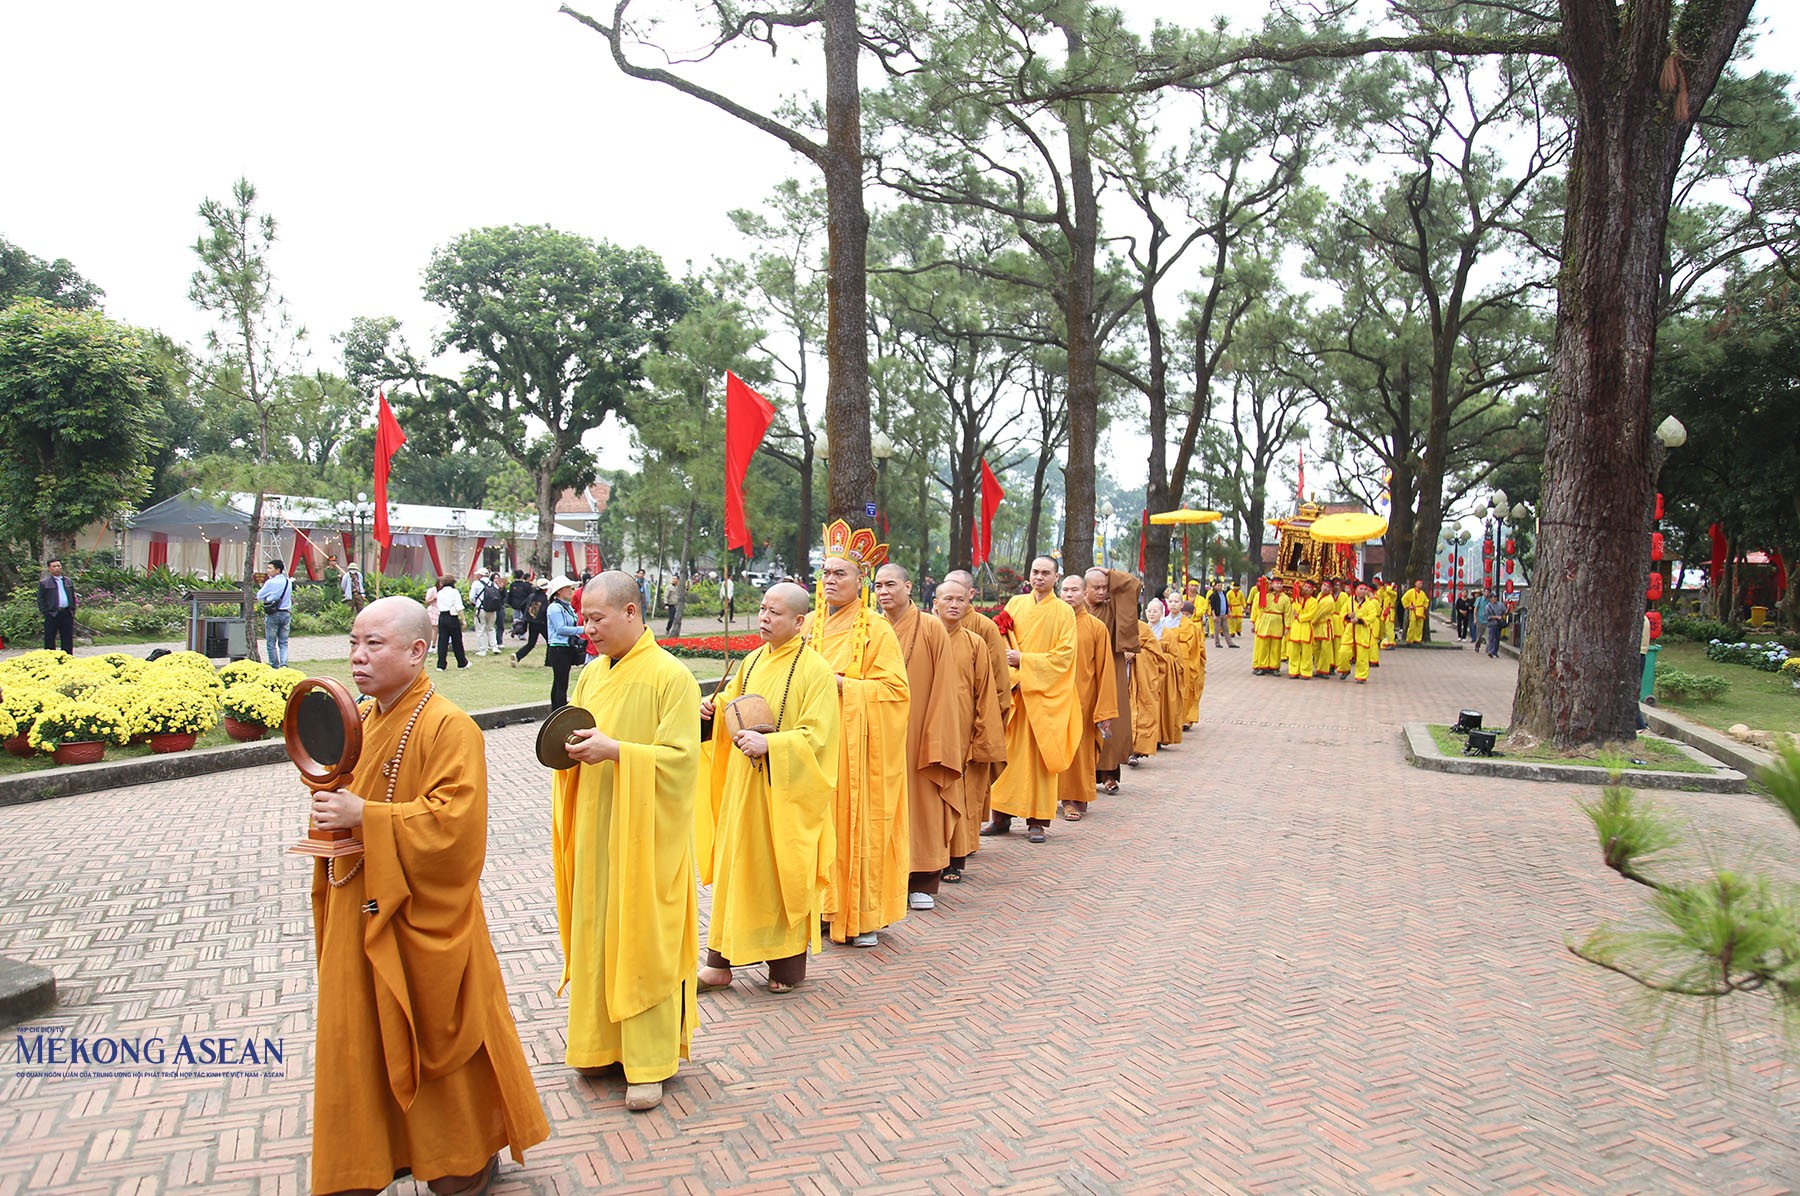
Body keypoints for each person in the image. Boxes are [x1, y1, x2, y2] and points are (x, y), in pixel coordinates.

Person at [305, 597, 549, 1193]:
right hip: (358, 902)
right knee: (359, 1036)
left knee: (441, 1031)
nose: (358, 657)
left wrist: (366, 815)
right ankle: (370, 1155)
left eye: (375, 644)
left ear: (418, 651)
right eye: (354, 642)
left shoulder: (448, 726)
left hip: (422, 913)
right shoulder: (360, 719)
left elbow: (456, 828)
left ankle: (460, 1157)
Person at [553, 572, 701, 1112]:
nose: (587, 629)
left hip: (646, 837)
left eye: (598, 618)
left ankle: (648, 1061)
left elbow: (684, 763)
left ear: (633, 613)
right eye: (583, 618)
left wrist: (619, 752)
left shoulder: (672, 677)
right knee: (596, 928)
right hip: (597, 828)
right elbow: (577, 733)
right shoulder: (590, 675)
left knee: (642, 935)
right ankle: (599, 1043)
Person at [696, 583, 840, 994]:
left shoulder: (815, 671)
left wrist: (773, 744)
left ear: (799, 621)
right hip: (745, 791)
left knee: (781, 875)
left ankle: (785, 967)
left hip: (785, 796)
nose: (764, 618)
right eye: (761, 609)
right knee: (736, 871)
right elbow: (735, 703)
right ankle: (720, 964)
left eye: (774, 613)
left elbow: (819, 737)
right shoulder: (753, 659)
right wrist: (713, 708)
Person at [807, 545, 910, 947]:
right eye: (826, 572)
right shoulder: (809, 626)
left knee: (857, 827)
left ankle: (862, 916)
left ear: (860, 581)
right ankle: (822, 907)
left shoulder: (876, 628)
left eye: (840, 574)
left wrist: (843, 686)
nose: (830, 580)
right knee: (817, 829)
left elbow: (896, 691)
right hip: (815, 744)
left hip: (857, 750)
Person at [874, 563, 961, 910]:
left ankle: (922, 879)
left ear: (909, 587)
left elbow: (944, 687)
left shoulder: (931, 627)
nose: (884, 591)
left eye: (891, 584)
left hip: (918, 732)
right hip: (876, 730)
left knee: (921, 803)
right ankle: (881, 881)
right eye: (878, 585)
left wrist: (936, 737)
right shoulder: (869, 627)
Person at [984, 556, 1080, 844]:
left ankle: (1037, 821)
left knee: (1039, 760)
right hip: (1016, 696)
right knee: (1007, 756)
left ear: (1056, 577)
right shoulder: (1016, 604)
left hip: (1044, 698)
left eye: (1046, 573)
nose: (1039, 577)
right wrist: (1011, 671)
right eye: (1035, 572)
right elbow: (1001, 640)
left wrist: (1024, 660)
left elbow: (1064, 656)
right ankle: (1000, 816)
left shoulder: (1064, 612)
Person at [931, 576, 1006, 880]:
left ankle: (954, 860)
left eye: (960, 600)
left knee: (958, 794)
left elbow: (986, 694)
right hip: (928, 731)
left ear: (968, 604)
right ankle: (927, 856)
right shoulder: (924, 636)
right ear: (935, 603)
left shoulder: (975, 642)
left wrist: (983, 736)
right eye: (947, 599)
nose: (954, 605)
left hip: (962, 733)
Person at [1056, 575, 1117, 822]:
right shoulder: (1054, 622)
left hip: (1083, 701)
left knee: (1080, 752)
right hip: (1054, 699)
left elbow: (1105, 670)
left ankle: (1074, 798)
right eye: (1065, 590)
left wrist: (1104, 711)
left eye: (1074, 590)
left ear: (1084, 594)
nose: (1069, 594)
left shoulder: (1095, 627)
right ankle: (1055, 796)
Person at [1083, 568, 1140, 793]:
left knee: (1111, 720)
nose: (1102, 592)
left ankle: (1109, 774)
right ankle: (1084, 774)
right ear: (1085, 589)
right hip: (1083, 670)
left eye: (1105, 587)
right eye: (1096, 587)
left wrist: (1110, 573)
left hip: (1110, 667)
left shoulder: (1112, 609)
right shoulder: (1074, 611)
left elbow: (1133, 585)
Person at [542, 576, 585, 708]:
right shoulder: (555, 607)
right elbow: (560, 628)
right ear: (559, 591)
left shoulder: (566, 607)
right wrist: (582, 630)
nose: (570, 590)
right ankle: (559, 710)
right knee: (561, 684)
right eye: (567, 588)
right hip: (558, 648)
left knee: (560, 682)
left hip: (566, 647)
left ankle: (557, 710)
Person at [256, 557, 294, 668]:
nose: (267, 570)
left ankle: (274, 665)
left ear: (278, 570)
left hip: (273, 614)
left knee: (271, 642)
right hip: (286, 613)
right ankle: (284, 664)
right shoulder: (288, 582)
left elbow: (259, 595)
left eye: (270, 568)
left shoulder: (270, 582)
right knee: (283, 642)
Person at [37, 558, 77, 653]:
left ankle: (67, 658)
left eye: (58, 566)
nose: (57, 568)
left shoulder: (68, 581)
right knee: (50, 638)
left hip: (66, 613)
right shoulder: (44, 583)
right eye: (54, 566)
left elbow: (72, 597)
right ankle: (50, 658)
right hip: (52, 614)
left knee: (67, 638)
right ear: (49, 569)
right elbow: (40, 599)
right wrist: (46, 612)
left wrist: (72, 609)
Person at [1250, 576, 1288, 676]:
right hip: (1265, 622)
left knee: (1276, 646)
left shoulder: (1285, 598)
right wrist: (1254, 623)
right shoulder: (1265, 595)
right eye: (1276, 583)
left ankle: (1274, 667)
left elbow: (1288, 613)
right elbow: (1257, 608)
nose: (1278, 585)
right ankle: (1262, 666)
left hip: (1277, 623)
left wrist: (1287, 627)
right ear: (1272, 584)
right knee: (1263, 645)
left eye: (1280, 584)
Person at [434, 575, 470, 671]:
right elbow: (459, 607)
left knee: (442, 641)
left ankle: (441, 664)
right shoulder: (454, 592)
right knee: (457, 641)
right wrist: (463, 620)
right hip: (452, 616)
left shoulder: (440, 593)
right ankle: (462, 663)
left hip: (442, 616)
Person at [511, 579, 549, 666]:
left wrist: (527, 615)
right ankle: (548, 662)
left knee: (531, 643)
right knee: (550, 642)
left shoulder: (531, 596)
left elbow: (522, 605)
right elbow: (544, 611)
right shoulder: (544, 598)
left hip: (531, 623)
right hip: (542, 623)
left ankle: (517, 655)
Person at [1350, 581, 1381, 682]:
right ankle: (1344, 668)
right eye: (1361, 589)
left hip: (1364, 628)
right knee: (1344, 651)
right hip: (1350, 630)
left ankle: (1361, 675)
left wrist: (1359, 620)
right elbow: (1343, 612)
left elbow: (1373, 615)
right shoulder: (1350, 601)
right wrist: (1348, 616)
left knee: (1364, 652)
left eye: (1365, 589)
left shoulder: (1371, 603)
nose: (1363, 591)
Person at [471, 569, 504, 655]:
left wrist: (476, 603)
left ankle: (483, 649)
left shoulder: (476, 584)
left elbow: (471, 597)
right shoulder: (493, 584)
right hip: (492, 609)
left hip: (481, 609)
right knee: (491, 628)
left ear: (479, 576)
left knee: (480, 629)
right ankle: (494, 647)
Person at [1403, 579, 1429, 645]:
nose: (1420, 585)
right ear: (1415, 584)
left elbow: (1426, 601)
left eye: (1421, 583)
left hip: (1420, 610)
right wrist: (1408, 606)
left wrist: (1424, 607)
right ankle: (1409, 640)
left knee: (1420, 626)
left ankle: (1417, 639)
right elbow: (1404, 598)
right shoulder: (1411, 591)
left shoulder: (1422, 593)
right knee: (1412, 625)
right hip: (1413, 610)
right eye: (1419, 583)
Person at [1207, 581, 1232, 648]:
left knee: (1226, 629)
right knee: (1217, 630)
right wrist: (1214, 615)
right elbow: (1212, 607)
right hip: (1217, 615)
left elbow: (1226, 603)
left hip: (1224, 614)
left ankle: (1230, 643)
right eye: (1218, 585)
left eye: (1221, 585)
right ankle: (1217, 643)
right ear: (1215, 586)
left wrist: (1228, 611)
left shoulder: (1224, 593)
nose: (1220, 587)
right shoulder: (1213, 595)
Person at [1485, 589, 1508, 657]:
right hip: (1491, 624)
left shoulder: (1500, 605)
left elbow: (1505, 612)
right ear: (1491, 598)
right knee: (1491, 638)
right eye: (1494, 597)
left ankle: (1495, 651)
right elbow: (1488, 617)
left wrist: (1508, 609)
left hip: (1498, 624)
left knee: (1497, 639)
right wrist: (1496, 617)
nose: (1495, 598)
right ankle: (1491, 651)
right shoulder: (1488, 606)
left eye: (1496, 597)